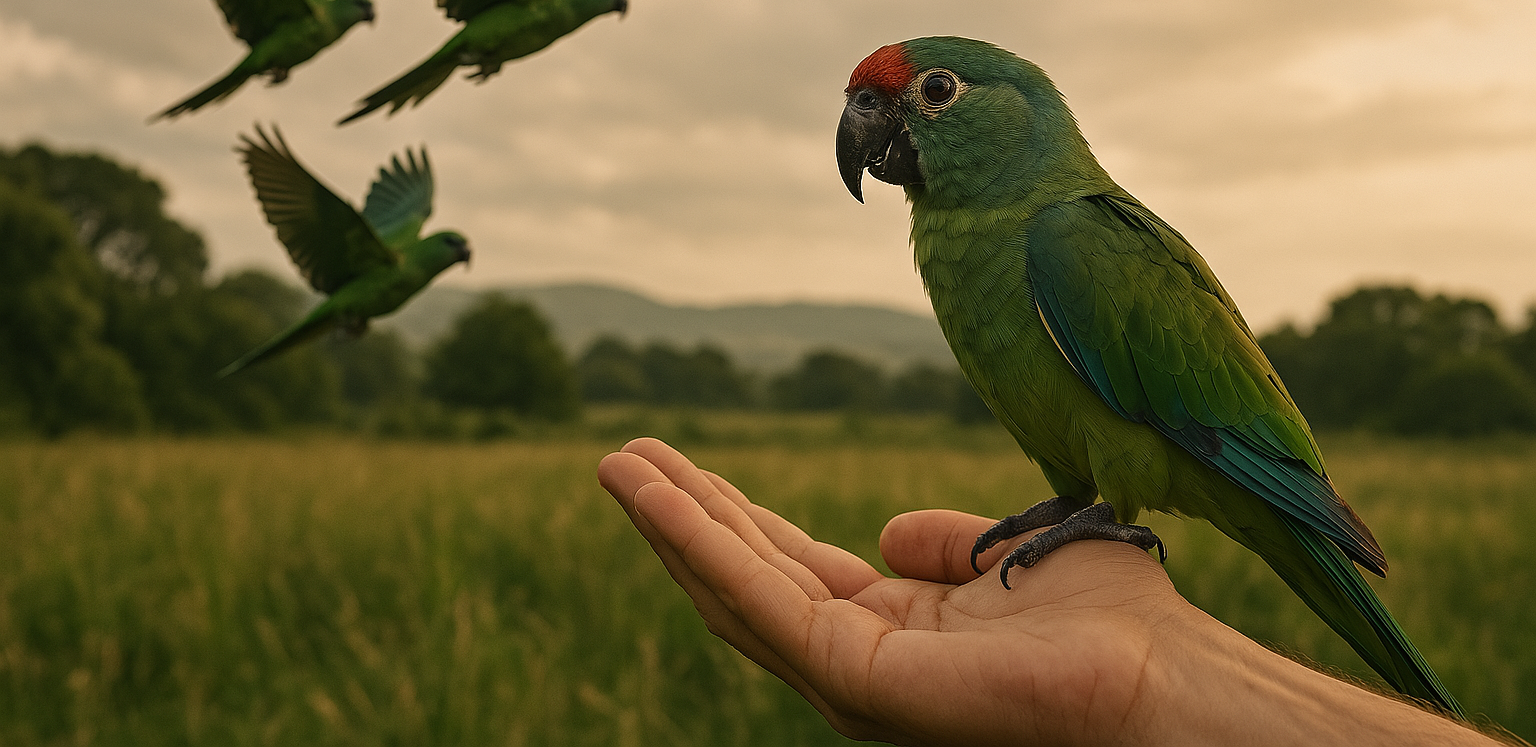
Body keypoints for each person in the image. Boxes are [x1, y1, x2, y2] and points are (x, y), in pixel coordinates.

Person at [599, 437, 1506, 747]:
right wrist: (1144, 687)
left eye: (934, 94)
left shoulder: (1063, 235)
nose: (876, 122)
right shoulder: (958, 257)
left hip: (1222, 463)